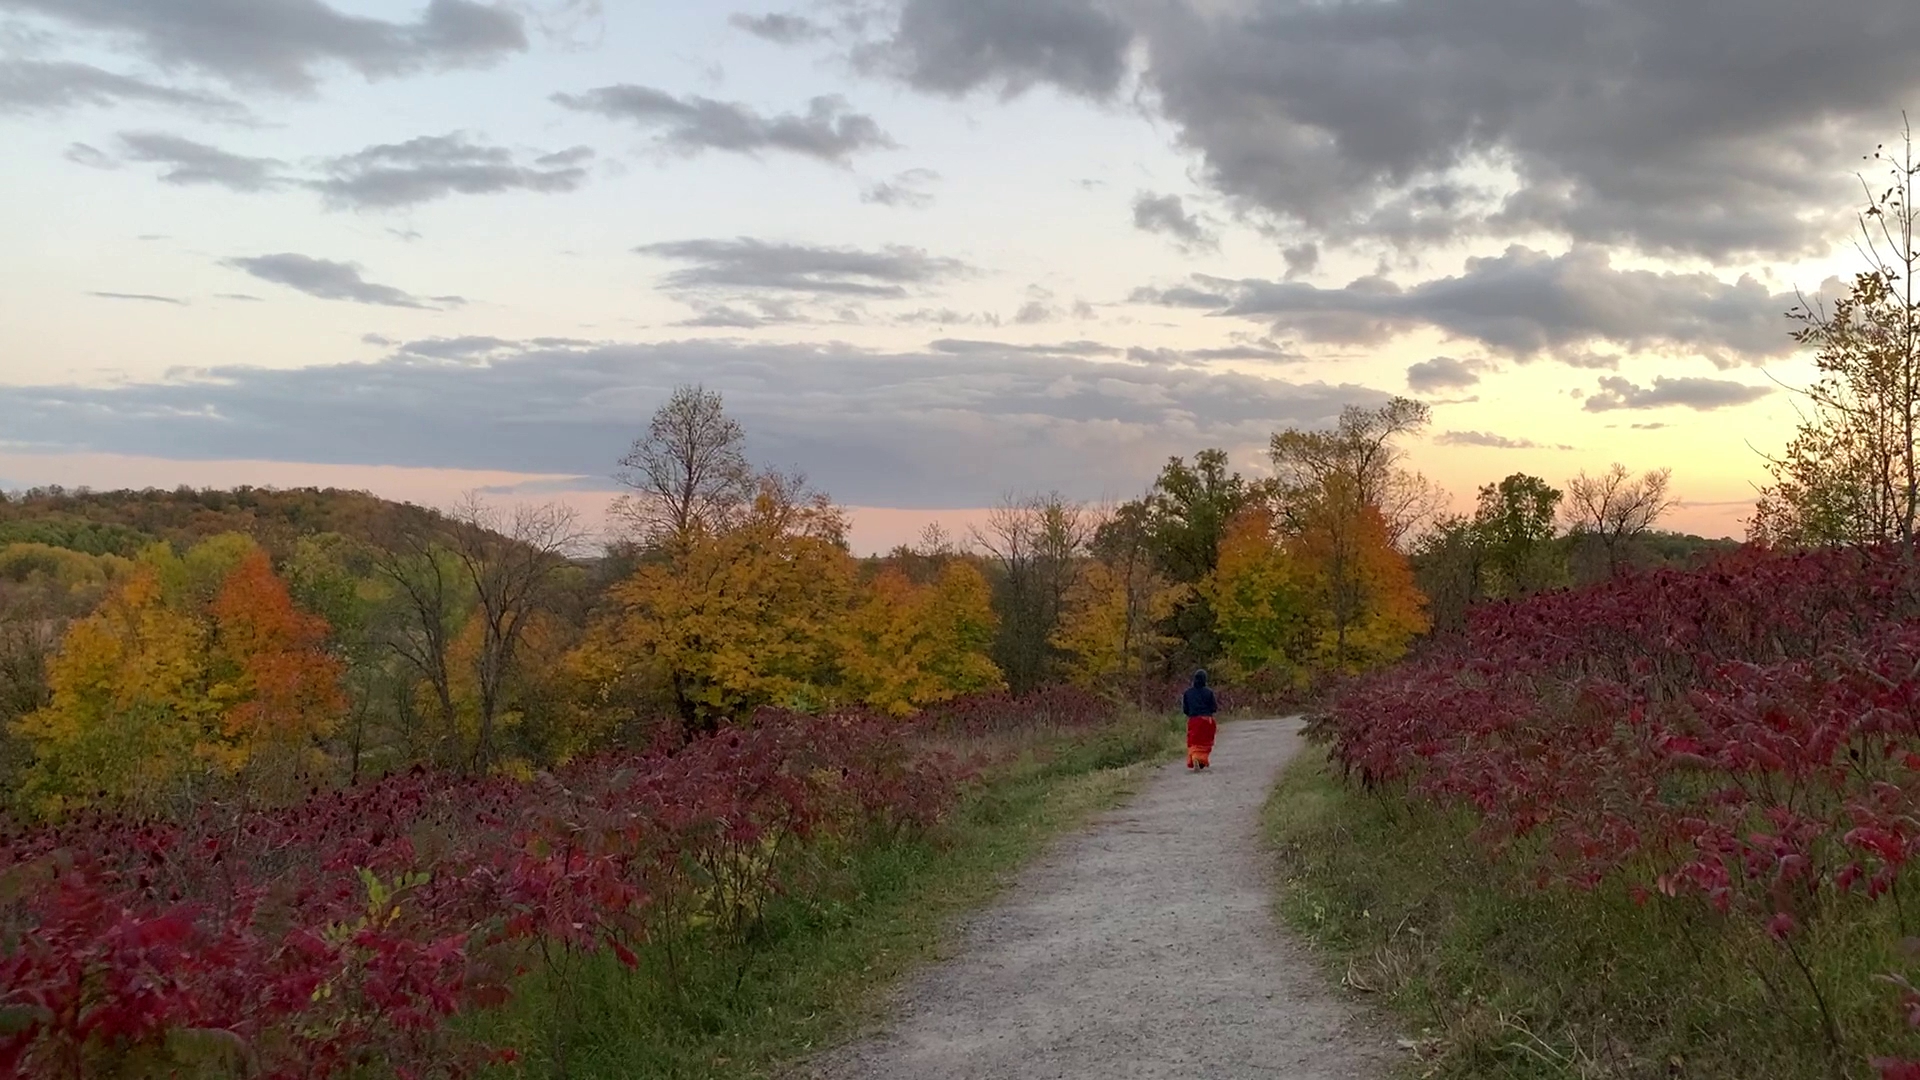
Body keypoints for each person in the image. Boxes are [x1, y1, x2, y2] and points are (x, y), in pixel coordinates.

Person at [1181, 670, 1218, 770]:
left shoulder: (1187, 693)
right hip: (1206, 720)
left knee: (1194, 741)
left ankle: (1195, 758)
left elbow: (1185, 709)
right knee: (1205, 742)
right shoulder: (1208, 692)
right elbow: (1214, 708)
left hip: (1194, 720)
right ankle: (1201, 760)